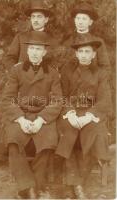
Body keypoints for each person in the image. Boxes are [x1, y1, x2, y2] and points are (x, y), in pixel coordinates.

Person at [0, 0, 54, 169]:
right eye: (33, 16)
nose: (36, 20)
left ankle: (43, 156)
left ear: (46, 19)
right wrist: (16, 70)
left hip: (42, 85)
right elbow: (10, 57)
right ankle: (2, 155)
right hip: (20, 83)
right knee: (9, 111)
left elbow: (55, 61)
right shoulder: (21, 37)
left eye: (40, 17)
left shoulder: (51, 39)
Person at [0, 31, 62, 199]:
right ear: (27, 51)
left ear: (45, 52)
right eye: (32, 48)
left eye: (39, 49)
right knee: (13, 140)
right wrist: (20, 119)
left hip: (43, 117)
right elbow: (6, 99)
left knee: (48, 141)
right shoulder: (17, 70)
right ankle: (30, 188)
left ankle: (31, 187)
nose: (35, 52)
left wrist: (41, 120)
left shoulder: (52, 72)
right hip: (21, 115)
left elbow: (57, 101)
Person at [55, 34, 112, 199]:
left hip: (91, 113)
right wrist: (70, 113)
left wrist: (89, 116)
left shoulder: (101, 73)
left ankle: (73, 184)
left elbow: (105, 100)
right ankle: (76, 185)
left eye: (88, 52)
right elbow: (61, 96)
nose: (84, 55)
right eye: (81, 51)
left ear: (94, 54)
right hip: (70, 112)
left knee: (93, 132)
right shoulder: (67, 70)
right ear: (76, 54)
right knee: (67, 132)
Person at [61, 0, 111, 78]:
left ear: (90, 22)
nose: (80, 22)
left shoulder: (99, 42)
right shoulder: (67, 42)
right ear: (74, 20)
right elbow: (62, 68)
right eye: (78, 18)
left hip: (93, 85)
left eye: (84, 19)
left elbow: (105, 68)